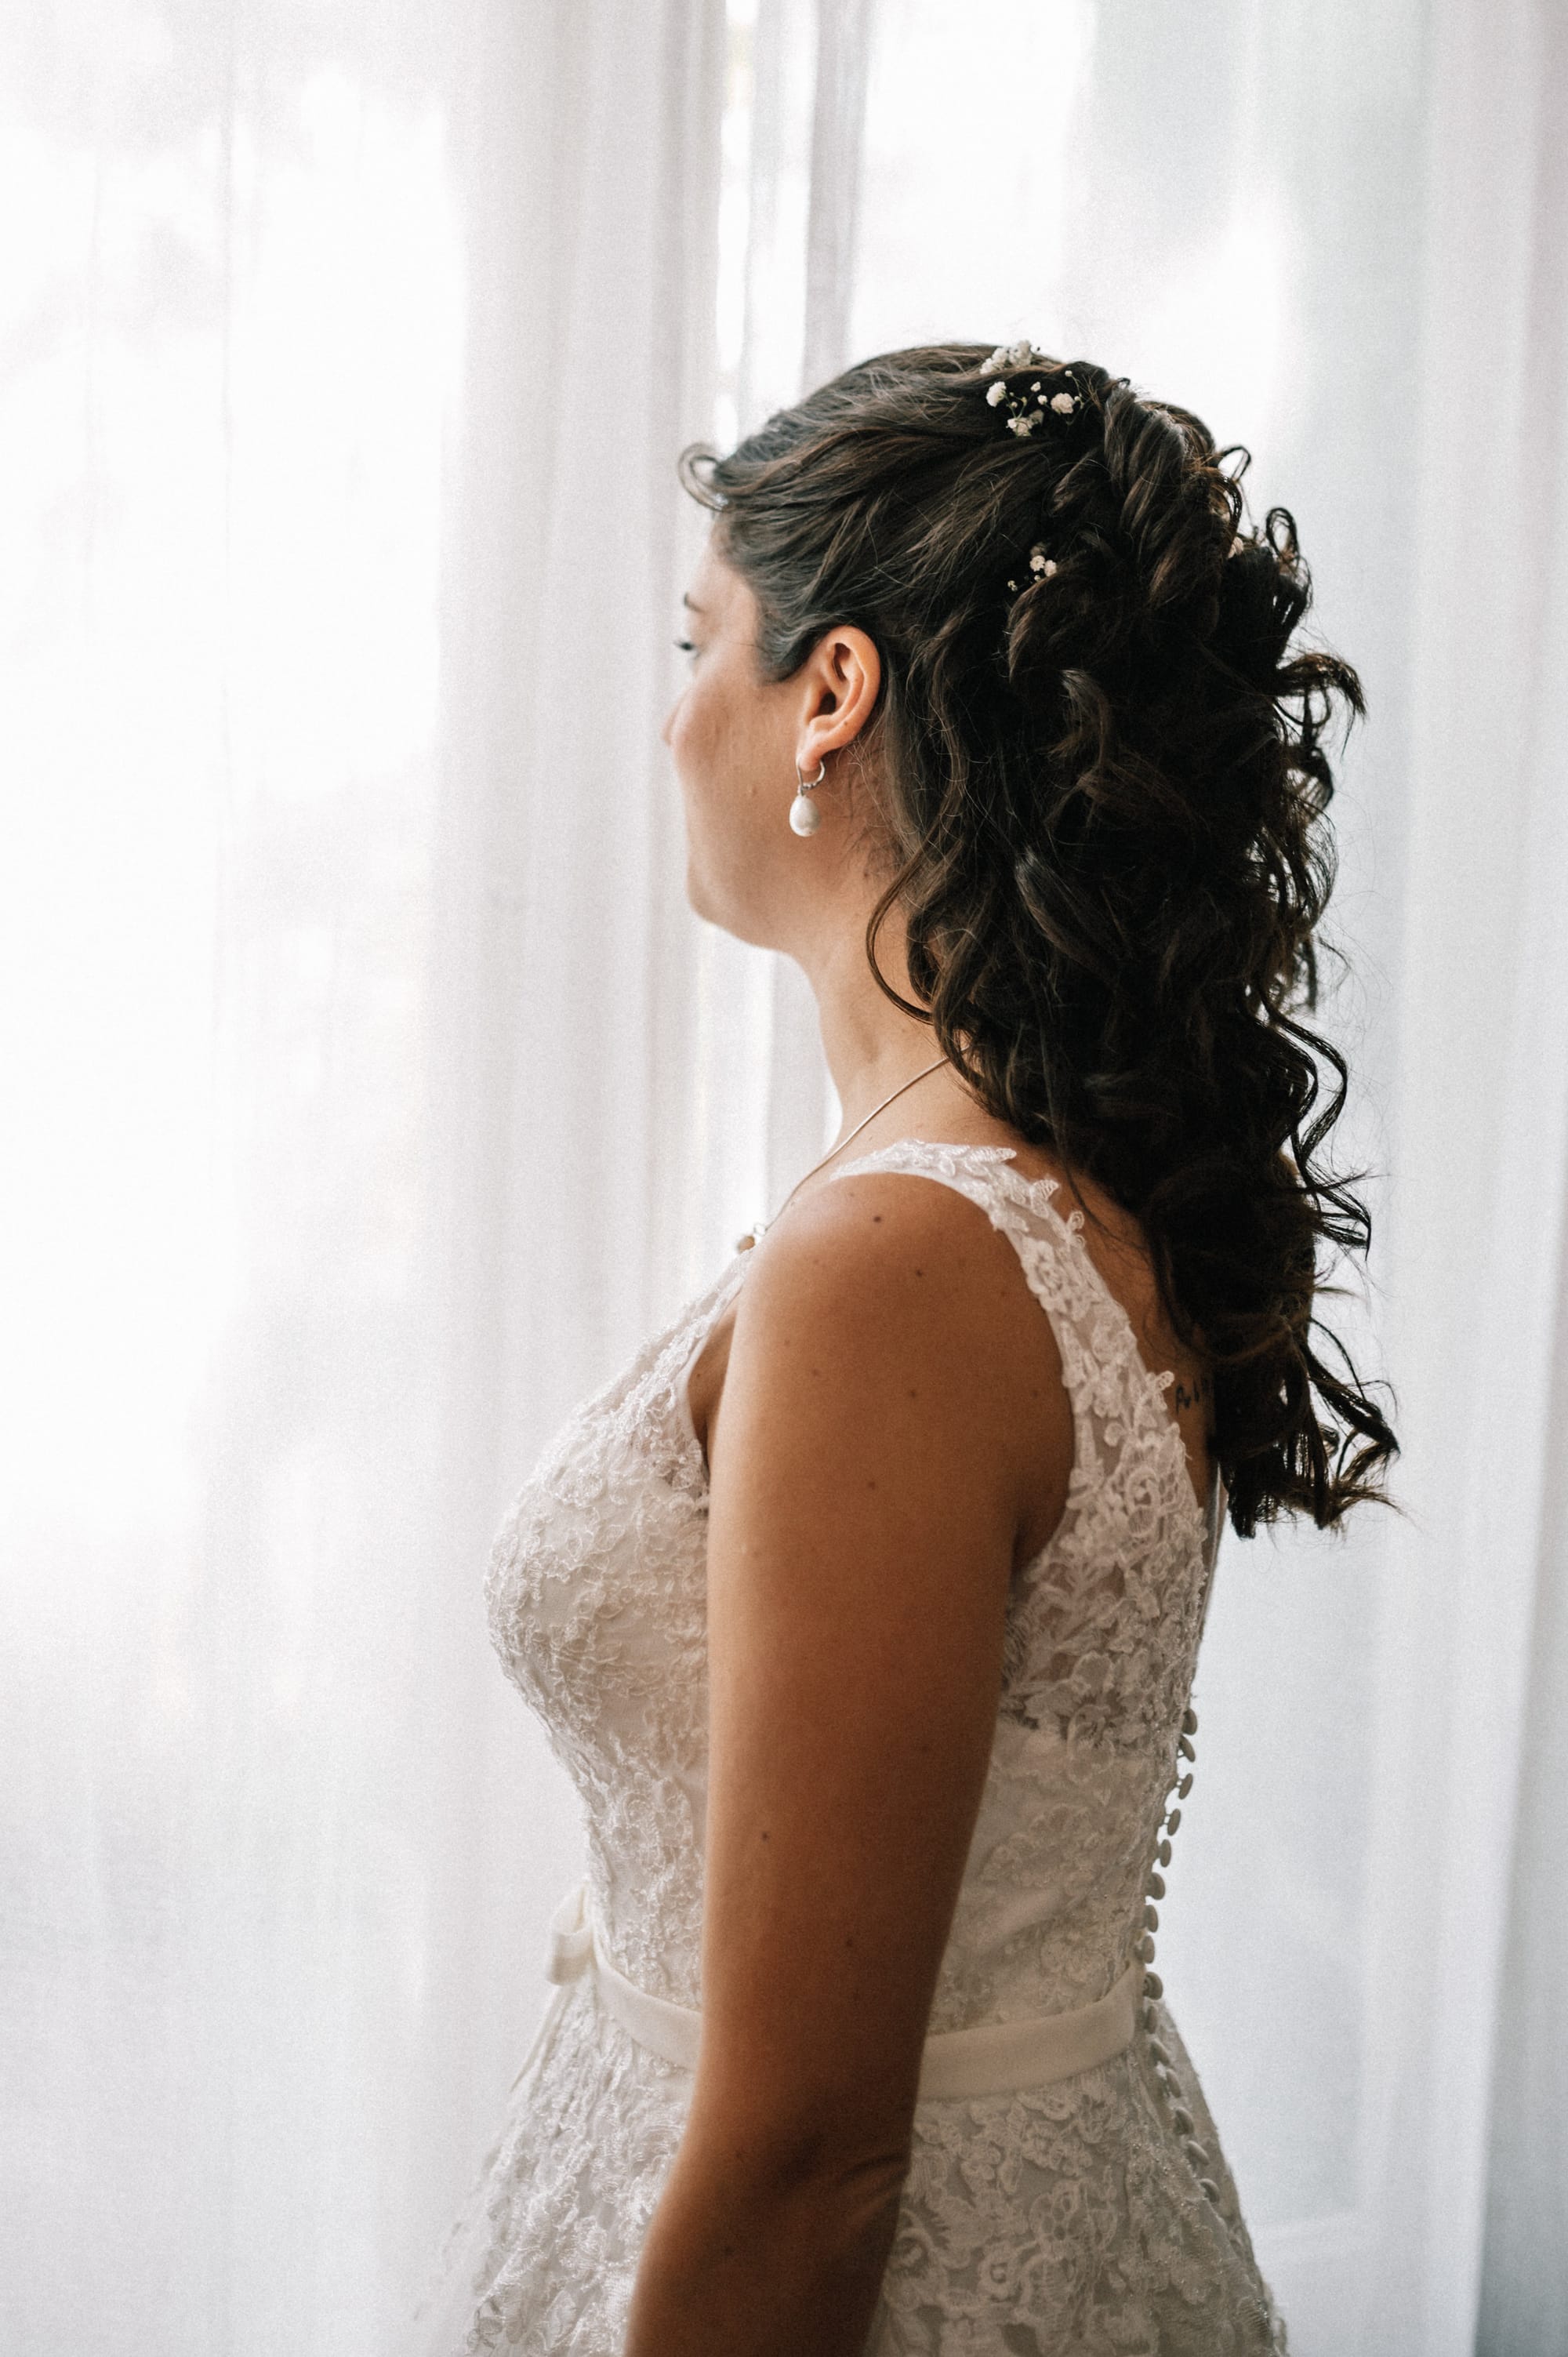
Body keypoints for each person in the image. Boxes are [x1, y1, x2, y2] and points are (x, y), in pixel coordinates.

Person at [412, 343, 1397, 2356]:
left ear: (833, 693)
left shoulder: (899, 1258)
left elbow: (814, 2156)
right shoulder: (1020, 1177)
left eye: (704, 639)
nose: (672, 713)